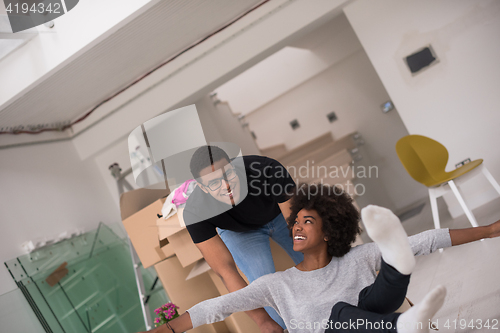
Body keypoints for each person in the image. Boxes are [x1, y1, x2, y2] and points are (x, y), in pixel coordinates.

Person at [142, 183, 500, 333]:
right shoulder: (278, 286)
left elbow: (427, 239)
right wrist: (171, 328)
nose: (295, 227)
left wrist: (487, 230)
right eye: (295, 221)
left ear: (329, 232)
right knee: (339, 314)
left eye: (306, 222)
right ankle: (401, 322)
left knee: (374, 291)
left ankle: (397, 271)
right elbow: (218, 307)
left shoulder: (355, 259)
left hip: (371, 323)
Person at [183, 145, 303, 331]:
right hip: (238, 231)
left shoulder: (267, 169)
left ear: (233, 165)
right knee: (264, 284)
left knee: (318, 262)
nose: (226, 186)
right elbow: (226, 271)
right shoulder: (195, 212)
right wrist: (262, 321)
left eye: (228, 175)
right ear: (202, 187)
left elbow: (300, 228)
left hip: (279, 214)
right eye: (214, 183)